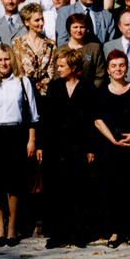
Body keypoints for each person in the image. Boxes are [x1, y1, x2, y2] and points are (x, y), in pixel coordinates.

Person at [0, 44, 40, 247]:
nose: (3, 63)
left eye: (6, 59)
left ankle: (12, 226)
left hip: (16, 134)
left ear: (12, 60)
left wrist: (31, 140)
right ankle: (0, 225)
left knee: (14, 183)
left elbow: (32, 114)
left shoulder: (22, 81)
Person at [40, 47, 98, 248]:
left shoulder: (88, 88)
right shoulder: (54, 87)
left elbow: (92, 120)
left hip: (79, 147)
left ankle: (79, 233)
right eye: (57, 66)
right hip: (56, 147)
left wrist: (91, 148)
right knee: (58, 190)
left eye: (62, 66)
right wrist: (41, 145)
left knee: (79, 190)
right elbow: (46, 119)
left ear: (73, 67)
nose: (58, 69)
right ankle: (58, 234)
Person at [93, 50, 130, 247]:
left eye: (122, 65)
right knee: (112, 190)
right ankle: (115, 231)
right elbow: (97, 120)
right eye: (114, 66)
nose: (118, 69)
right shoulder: (101, 92)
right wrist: (113, 140)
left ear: (127, 68)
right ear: (108, 70)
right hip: (110, 150)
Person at [10, 2, 57, 97]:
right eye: (37, 20)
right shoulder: (17, 43)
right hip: (26, 91)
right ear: (26, 22)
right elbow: (18, 70)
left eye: (42, 19)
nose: (41, 23)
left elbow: (51, 71)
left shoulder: (51, 44)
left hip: (47, 93)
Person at [61, 13, 107, 88]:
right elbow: (57, 76)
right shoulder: (61, 50)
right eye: (75, 27)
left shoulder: (94, 48)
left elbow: (100, 75)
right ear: (69, 29)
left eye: (82, 27)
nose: (79, 30)